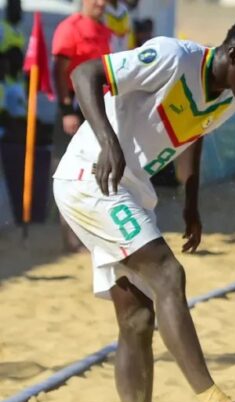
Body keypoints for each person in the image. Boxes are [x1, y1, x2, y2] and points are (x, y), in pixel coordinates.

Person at [51, 18, 235, 402]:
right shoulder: (172, 57)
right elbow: (85, 73)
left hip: (130, 190)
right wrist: (108, 142)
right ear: (233, 55)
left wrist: (191, 204)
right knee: (168, 274)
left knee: (137, 321)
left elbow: (192, 138)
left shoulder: (228, 102)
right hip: (92, 177)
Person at [52, 0, 113, 252]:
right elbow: (58, 71)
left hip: (100, 111)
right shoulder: (70, 28)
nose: (101, 3)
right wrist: (66, 110)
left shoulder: (104, 29)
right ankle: (70, 238)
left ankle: (93, 233)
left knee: (95, 172)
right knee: (70, 175)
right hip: (75, 110)